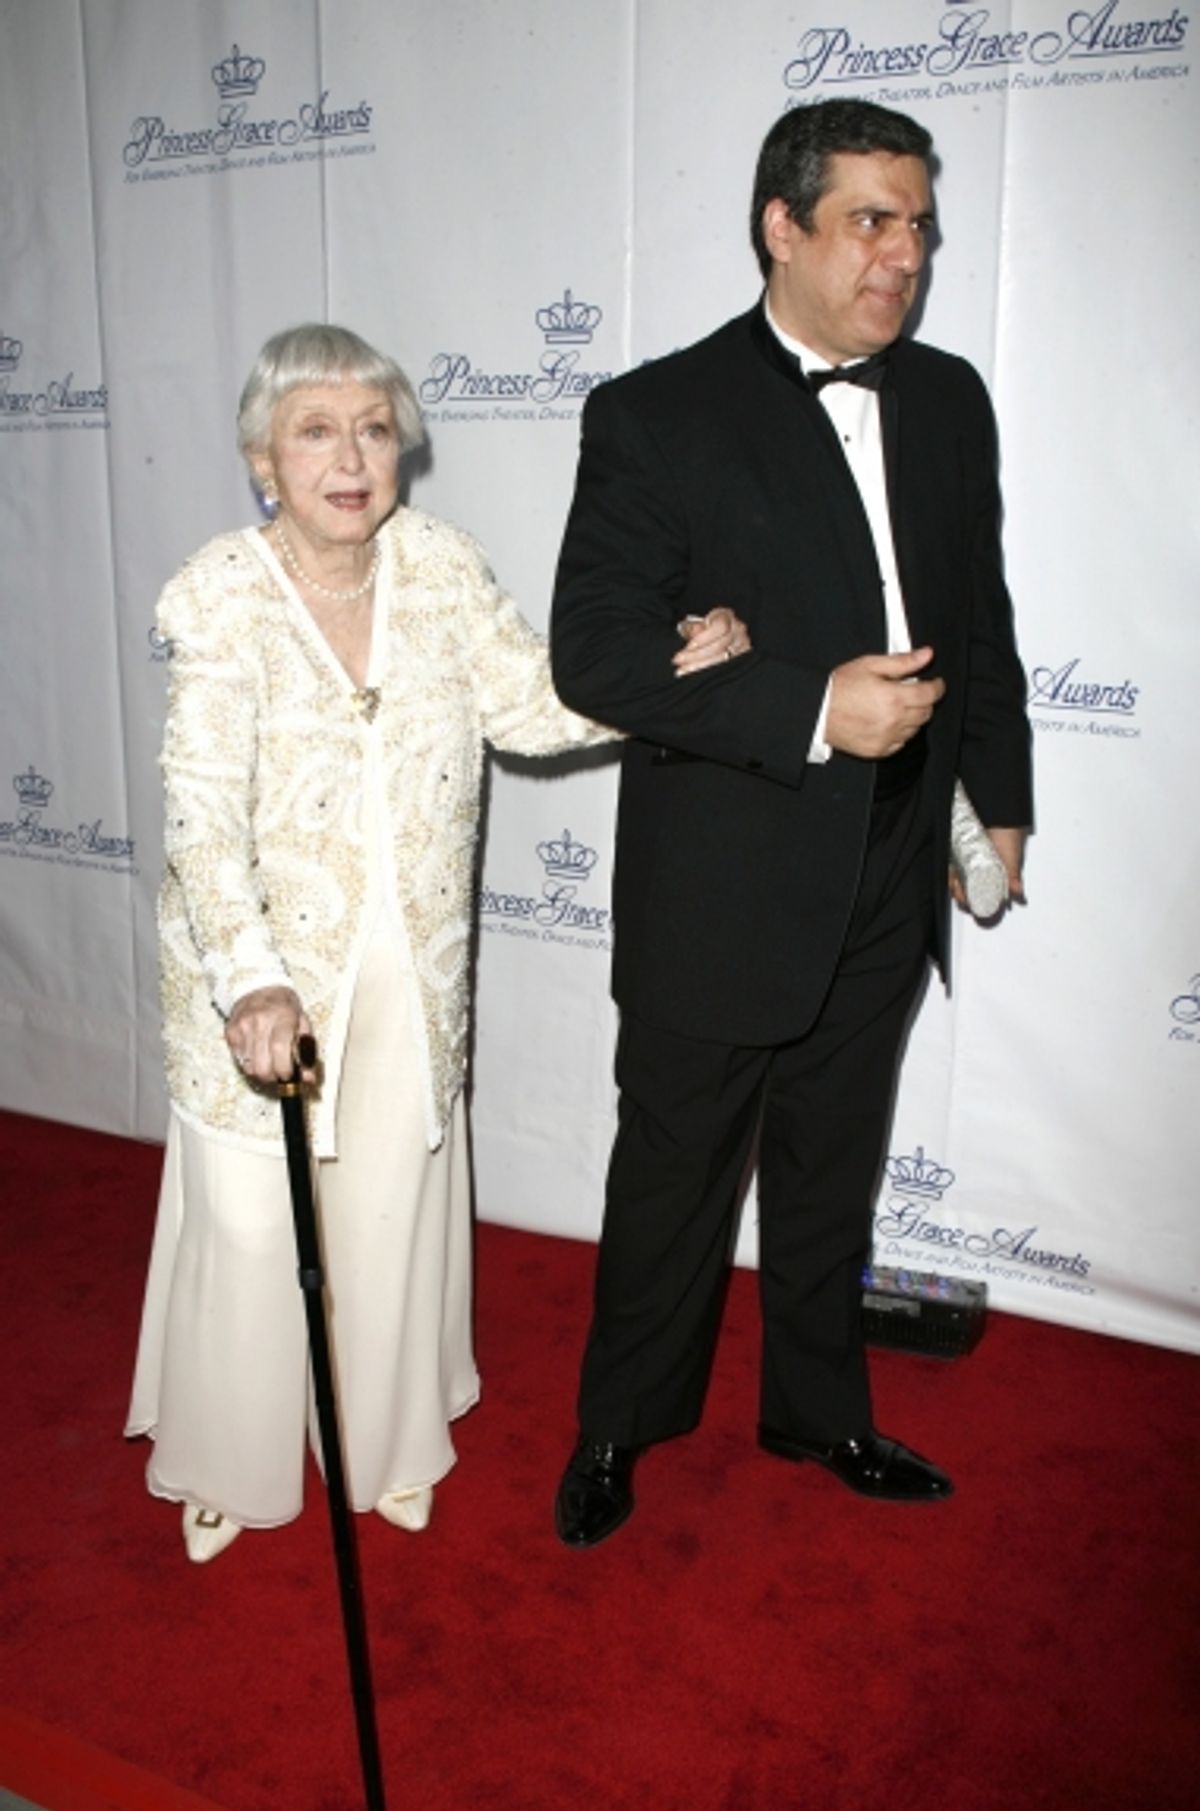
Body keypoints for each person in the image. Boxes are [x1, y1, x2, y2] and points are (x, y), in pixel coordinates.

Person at [125, 322, 746, 1563]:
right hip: (260, 970)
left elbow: (534, 702)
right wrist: (248, 976)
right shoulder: (222, 593)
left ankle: (387, 1440)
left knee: (394, 1204)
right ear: (265, 458)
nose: (350, 457)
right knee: (254, 1221)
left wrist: (671, 668)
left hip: (412, 958)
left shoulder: (444, 569)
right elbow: (198, 814)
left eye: (371, 429)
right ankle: (229, 1450)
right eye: (316, 432)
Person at [549, 100, 1033, 1548]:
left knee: (837, 1155)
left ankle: (818, 1407)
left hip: (894, 858)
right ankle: (619, 1426)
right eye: (872, 221)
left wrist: (998, 798)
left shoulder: (948, 400)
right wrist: (810, 704)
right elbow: (597, 655)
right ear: (784, 224)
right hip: (727, 866)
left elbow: (983, 622)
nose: (906, 254)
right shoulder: (655, 411)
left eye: (920, 222)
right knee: (677, 1171)